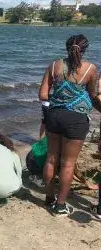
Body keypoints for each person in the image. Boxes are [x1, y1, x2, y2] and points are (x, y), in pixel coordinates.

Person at [39, 34, 101, 217]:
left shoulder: (54, 66)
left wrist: (59, 100)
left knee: (51, 159)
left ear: (66, 47)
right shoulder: (91, 69)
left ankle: (48, 198)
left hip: (54, 116)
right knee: (68, 164)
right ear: (84, 50)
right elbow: (92, 96)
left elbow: (43, 95)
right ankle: (60, 205)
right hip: (76, 120)